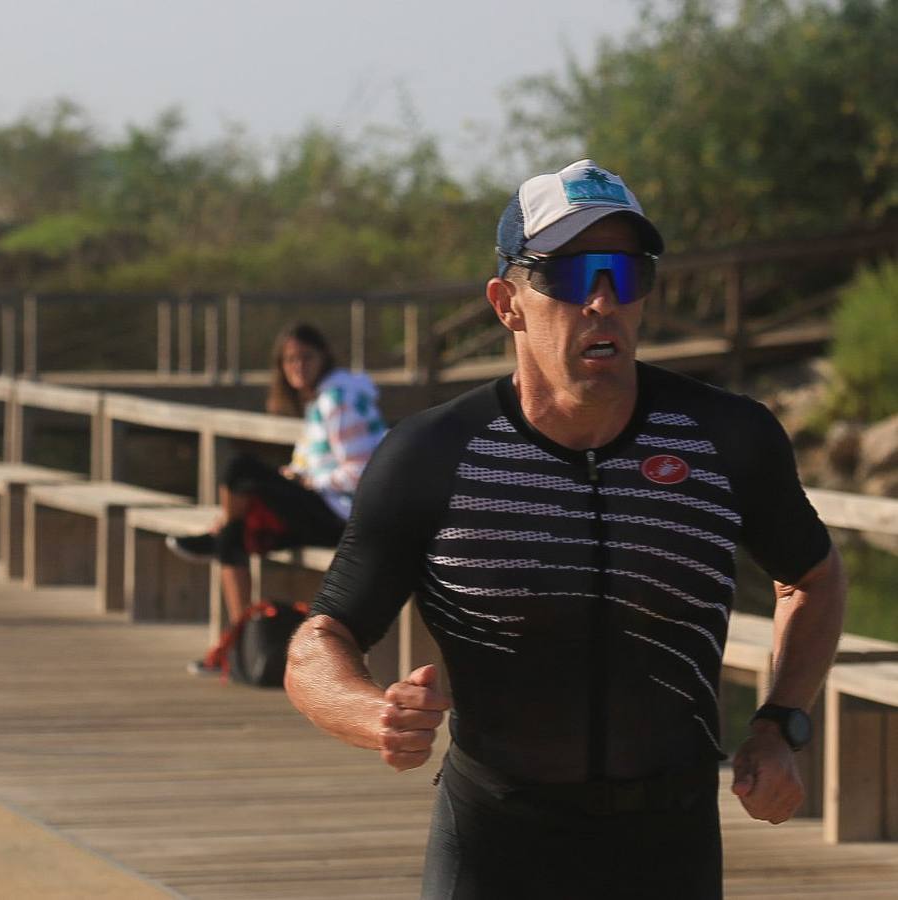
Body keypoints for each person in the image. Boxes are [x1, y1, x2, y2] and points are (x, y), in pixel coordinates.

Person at [284, 159, 846, 898]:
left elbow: (810, 577)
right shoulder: (435, 455)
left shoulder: (723, 438)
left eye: (626, 272)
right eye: (572, 275)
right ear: (506, 303)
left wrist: (780, 726)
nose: (603, 301)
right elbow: (318, 641)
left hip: (667, 842)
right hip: (495, 839)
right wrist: (369, 712)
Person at [167, 322, 387, 675]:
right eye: (289, 360)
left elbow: (363, 473)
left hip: (344, 515)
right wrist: (297, 475)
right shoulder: (318, 400)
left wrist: (306, 479)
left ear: (323, 358)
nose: (297, 366)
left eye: (306, 357)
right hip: (323, 503)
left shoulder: (340, 398)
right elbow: (313, 463)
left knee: (240, 469)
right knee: (232, 537)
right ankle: (243, 648)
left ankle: (219, 533)